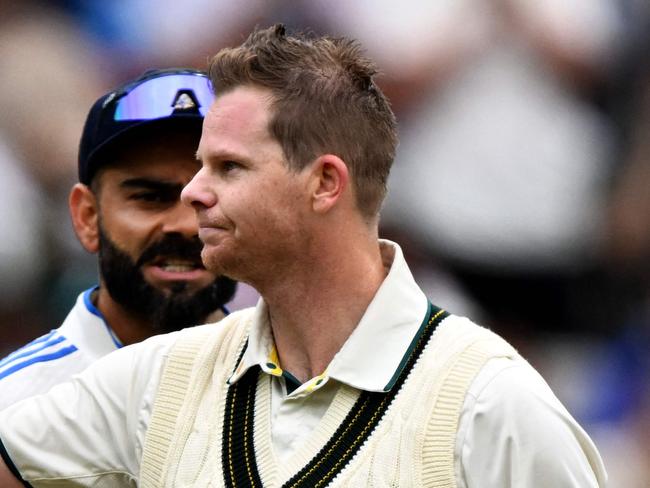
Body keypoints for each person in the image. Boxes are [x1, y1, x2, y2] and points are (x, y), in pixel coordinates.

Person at [0, 25, 606, 487]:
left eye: (228, 167)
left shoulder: (491, 404)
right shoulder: (161, 376)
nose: (193, 193)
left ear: (324, 184)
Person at [0, 68, 237, 410]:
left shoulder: (298, 385)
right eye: (150, 197)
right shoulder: (16, 408)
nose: (186, 225)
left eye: (210, 198)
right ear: (87, 217)